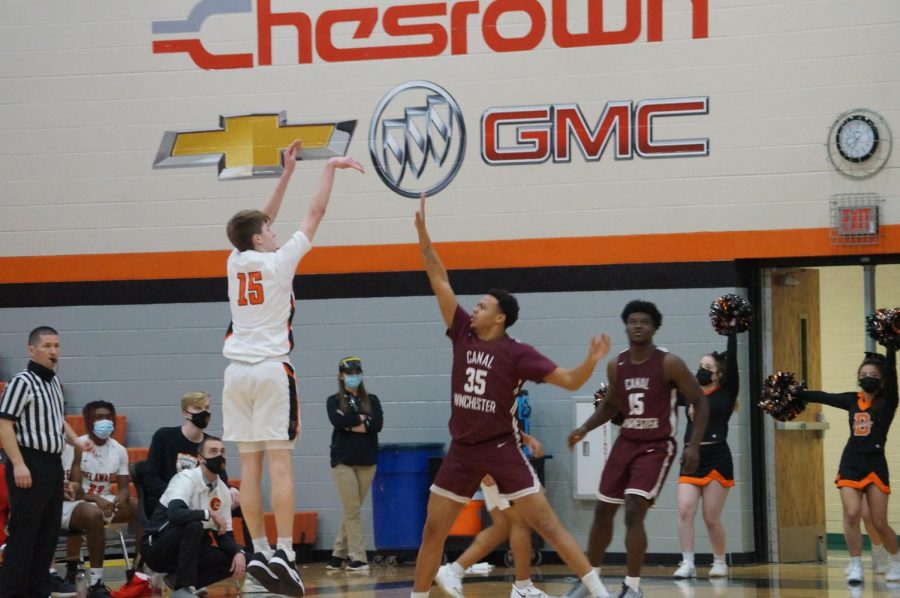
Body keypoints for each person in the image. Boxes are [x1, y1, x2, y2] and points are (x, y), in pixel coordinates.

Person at [411, 193, 613, 598]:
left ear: (499, 317)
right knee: (434, 528)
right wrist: (423, 234)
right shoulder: (462, 331)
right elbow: (439, 279)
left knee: (546, 523)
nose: (476, 308)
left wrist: (591, 361)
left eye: (483, 306)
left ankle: (600, 591)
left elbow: (571, 381)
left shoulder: (518, 352)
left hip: (501, 446)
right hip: (462, 449)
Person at [222, 140, 364, 596]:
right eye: (269, 228)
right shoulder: (280, 263)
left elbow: (255, 221)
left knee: (250, 467)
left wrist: (286, 172)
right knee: (281, 464)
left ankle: (259, 548)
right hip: (268, 369)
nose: (274, 228)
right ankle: (284, 550)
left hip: (235, 374)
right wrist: (331, 170)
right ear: (260, 238)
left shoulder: (235, 259)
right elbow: (315, 214)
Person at [567, 301, 709, 598]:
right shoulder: (616, 364)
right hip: (626, 441)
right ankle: (589, 580)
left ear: (655, 327)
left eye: (645, 321)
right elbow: (610, 405)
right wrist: (584, 429)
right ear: (626, 326)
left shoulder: (669, 363)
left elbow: (700, 400)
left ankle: (632, 587)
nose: (638, 326)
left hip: (657, 445)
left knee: (633, 509)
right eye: (633, 321)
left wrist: (693, 445)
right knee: (603, 510)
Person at [0, 326, 92, 598]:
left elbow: (57, 418)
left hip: (51, 464)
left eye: (57, 346)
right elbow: (4, 424)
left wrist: (76, 440)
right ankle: (11, 593)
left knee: (47, 535)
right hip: (29, 461)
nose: (54, 351)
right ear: (32, 350)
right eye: (48, 346)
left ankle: (38, 591)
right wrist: (18, 464)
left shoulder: (52, 382)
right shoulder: (22, 382)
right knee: (24, 535)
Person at [795, 348, 899, 584]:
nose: (867, 378)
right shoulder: (852, 399)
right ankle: (855, 565)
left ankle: (896, 561)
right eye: (863, 374)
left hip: (875, 463)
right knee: (852, 514)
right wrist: (800, 394)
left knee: (879, 522)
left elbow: (892, 374)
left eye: (873, 374)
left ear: (881, 379)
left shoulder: (888, 401)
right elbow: (826, 396)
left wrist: (891, 347)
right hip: (851, 462)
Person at [437, 433, 552, 598]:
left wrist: (526, 439)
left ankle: (453, 571)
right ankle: (523, 588)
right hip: (497, 463)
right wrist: (482, 466)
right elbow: (474, 425)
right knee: (520, 522)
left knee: (502, 527)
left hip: (503, 459)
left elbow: (502, 424)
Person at [673, 330, 742, 579]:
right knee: (684, 509)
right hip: (691, 458)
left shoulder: (726, 393)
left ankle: (719, 561)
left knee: (711, 517)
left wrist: (732, 332)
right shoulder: (689, 393)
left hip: (717, 457)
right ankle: (687, 562)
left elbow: (733, 362)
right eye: (700, 366)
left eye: (708, 367)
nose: (701, 370)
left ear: (718, 374)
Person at [141, 436, 246, 597]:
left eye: (222, 451)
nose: (219, 456)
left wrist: (238, 553)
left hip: (191, 550)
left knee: (232, 559)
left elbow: (225, 537)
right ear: (200, 459)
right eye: (213, 451)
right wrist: (208, 514)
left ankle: (175, 580)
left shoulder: (223, 490)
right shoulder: (185, 479)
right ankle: (182, 588)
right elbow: (175, 514)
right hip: (157, 547)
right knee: (194, 524)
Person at [60, 401, 144, 598]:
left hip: (104, 501)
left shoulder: (119, 450)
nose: (104, 421)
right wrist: (97, 499)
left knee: (139, 506)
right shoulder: (76, 446)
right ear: (89, 421)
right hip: (77, 501)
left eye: (108, 417)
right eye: (98, 417)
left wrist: (120, 499)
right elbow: (73, 489)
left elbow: (123, 488)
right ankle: (95, 580)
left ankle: (138, 567)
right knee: (94, 513)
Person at [325, 356, 384, 573]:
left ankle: (337, 554)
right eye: (350, 373)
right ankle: (359, 558)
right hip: (343, 461)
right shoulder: (333, 401)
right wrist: (362, 421)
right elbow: (337, 421)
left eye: (357, 372)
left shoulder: (373, 400)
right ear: (341, 376)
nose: (354, 377)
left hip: (367, 461)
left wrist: (352, 422)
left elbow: (377, 424)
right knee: (352, 511)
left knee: (352, 509)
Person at [143, 391, 238, 516]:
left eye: (207, 408)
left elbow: (220, 479)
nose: (204, 412)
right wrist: (177, 496)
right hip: (171, 502)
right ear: (184, 412)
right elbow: (150, 477)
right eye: (198, 408)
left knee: (244, 504)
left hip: (202, 500)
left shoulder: (210, 443)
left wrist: (231, 489)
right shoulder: (164, 436)